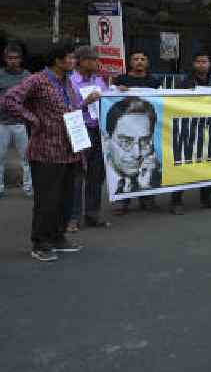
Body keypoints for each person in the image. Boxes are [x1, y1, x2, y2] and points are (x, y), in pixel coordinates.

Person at [4, 42, 101, 262]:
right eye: (70, 58)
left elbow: (72, 111)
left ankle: (58, 237)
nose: (74, 61)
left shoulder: (67, 83)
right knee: (47, 200)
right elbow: (9, 99)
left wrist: (85, 104)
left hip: (70, 149)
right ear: (58, 60)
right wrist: (33, 120)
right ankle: (40, 242)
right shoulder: (38, 80)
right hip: (46, 151)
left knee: (65, 199)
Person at [169, 50, 211, 214]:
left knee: (208, 163)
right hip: (188, 129)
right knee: (183, 165)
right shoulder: (184, 83)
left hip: (207, 130)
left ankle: (207, 198)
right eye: (198, 61)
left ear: (209, 64)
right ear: (194, 64)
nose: (202, 64)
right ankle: (176, 201)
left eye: (205, 61)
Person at [112, 51, 162, 214]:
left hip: (143, 126)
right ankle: (123, 202)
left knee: (144, 164)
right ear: (130, 62)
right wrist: (117, 90)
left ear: (147, 62)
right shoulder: (121, 80)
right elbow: (111, 97)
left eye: (143, 59)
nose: (139, 62)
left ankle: (147, 200)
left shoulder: (154, 81)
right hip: (127, 123)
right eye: (136, 59)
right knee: (126, 166)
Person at [68, 46, 110, 230]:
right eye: (93, 60)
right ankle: (72, 218)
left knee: (96, 174)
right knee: (77, 175)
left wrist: (116, 91)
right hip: (80, 129)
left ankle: (92, 214)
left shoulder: (99, 80)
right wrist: (84, 103)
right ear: (82, 61)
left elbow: (108, 99)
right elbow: (66, 108)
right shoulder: (70, 81)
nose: (96, 63)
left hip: (98, 130)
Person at [0, 44, 32, 199]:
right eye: (10, 58)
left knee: (26, 158)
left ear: (21, 59)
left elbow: (33, 98)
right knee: (0, 158)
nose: (13, 61)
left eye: (16, 58)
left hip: (21, 123)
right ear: (5, 59)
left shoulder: (27, 76)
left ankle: (28, 188)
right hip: (2, 123)